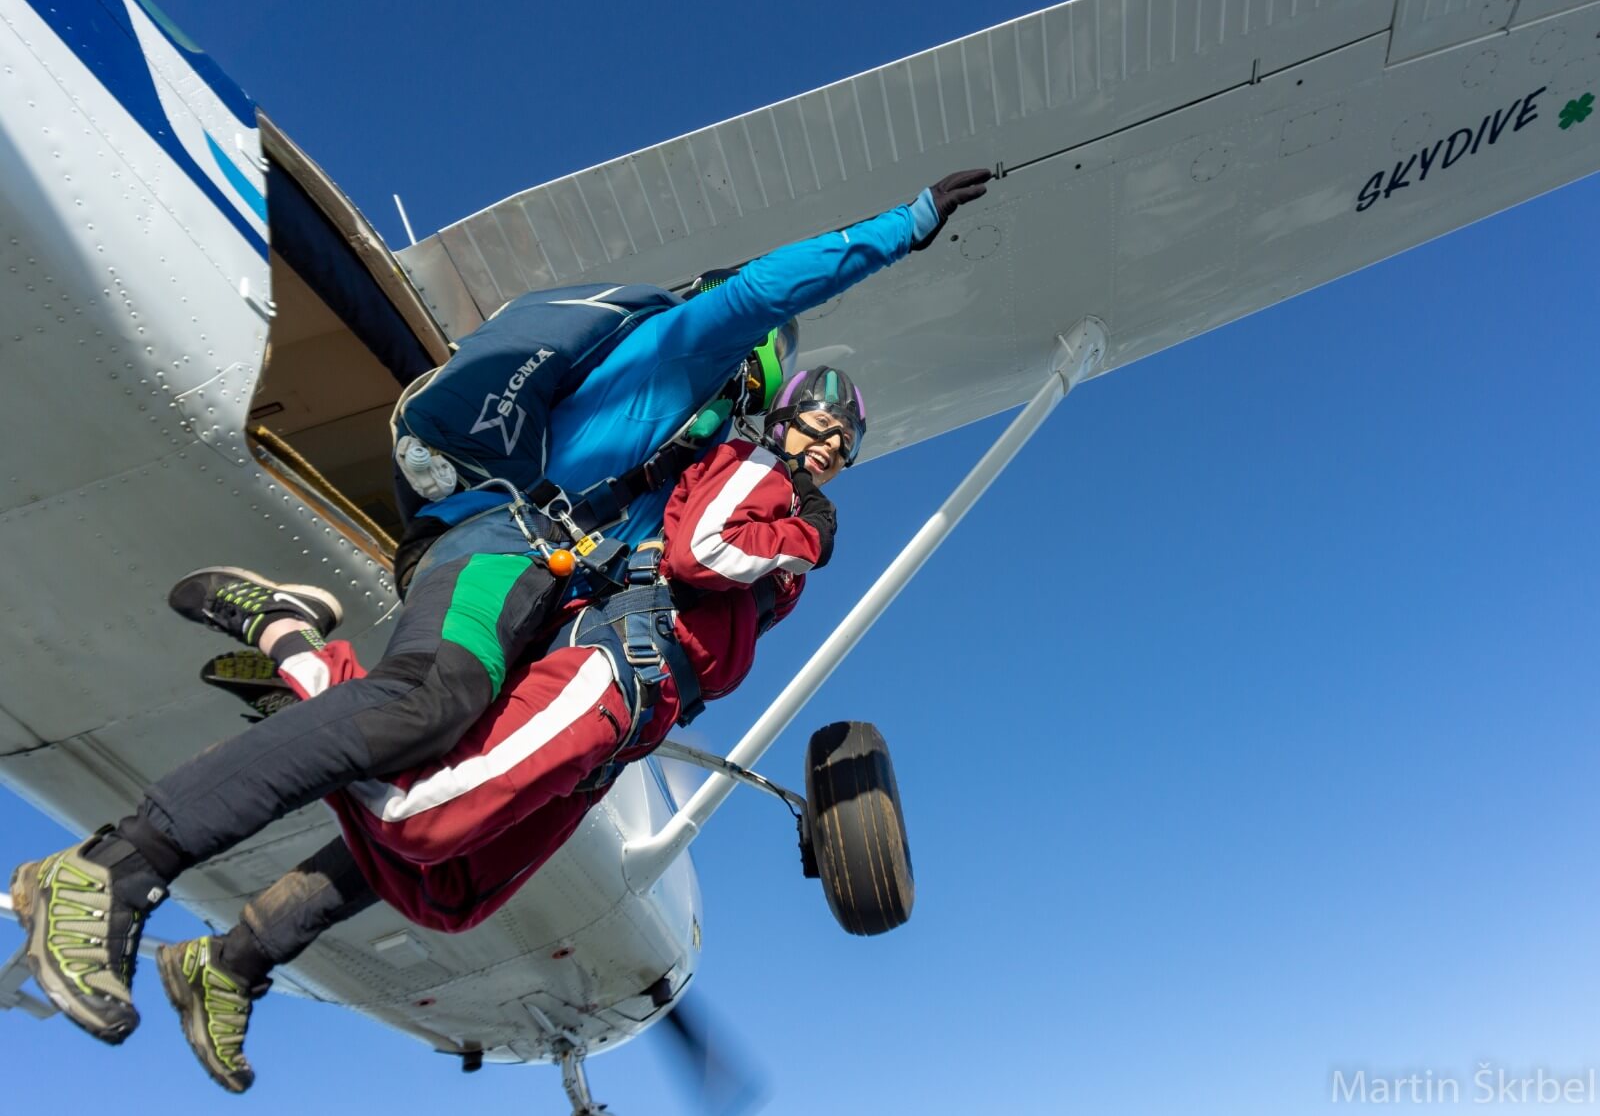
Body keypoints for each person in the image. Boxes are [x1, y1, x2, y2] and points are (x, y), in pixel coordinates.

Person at [6, 168, 985, 1058]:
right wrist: (903, 227)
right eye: (767, 408)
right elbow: (763, 293)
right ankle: (118, 867)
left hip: (543, 576)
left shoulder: (683, 464)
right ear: (758, 375)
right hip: (497, 538)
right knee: (433, 701)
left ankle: (236, 949)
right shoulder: (680, 353)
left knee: (450, 837)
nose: (755, 431)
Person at [72, 368, 863, 1092]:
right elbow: (702, 551)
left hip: (629, 732)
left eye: (845, 439)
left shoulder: (786, 525)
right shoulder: (762, 475)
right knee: (418, 819)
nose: (828, 444)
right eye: (818, 422)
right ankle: (297, 648)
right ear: (782, 417)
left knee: (450, 894)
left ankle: (227, 960)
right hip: (614, 669)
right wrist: (808, 534)